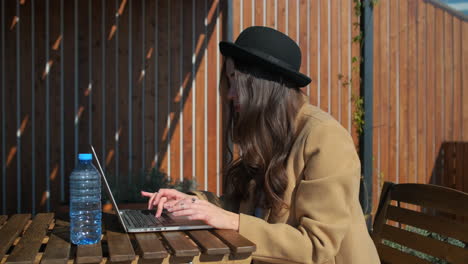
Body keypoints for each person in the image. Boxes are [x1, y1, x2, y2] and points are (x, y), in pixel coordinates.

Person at [141, 26, 380, 264]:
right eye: (228, 81)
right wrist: (192, 204)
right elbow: (244, 207)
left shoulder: (325, 138)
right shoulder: (271, 133)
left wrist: (231, 221)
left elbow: (317, 248)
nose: (230, 94)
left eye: (236, 81)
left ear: (261, 85)